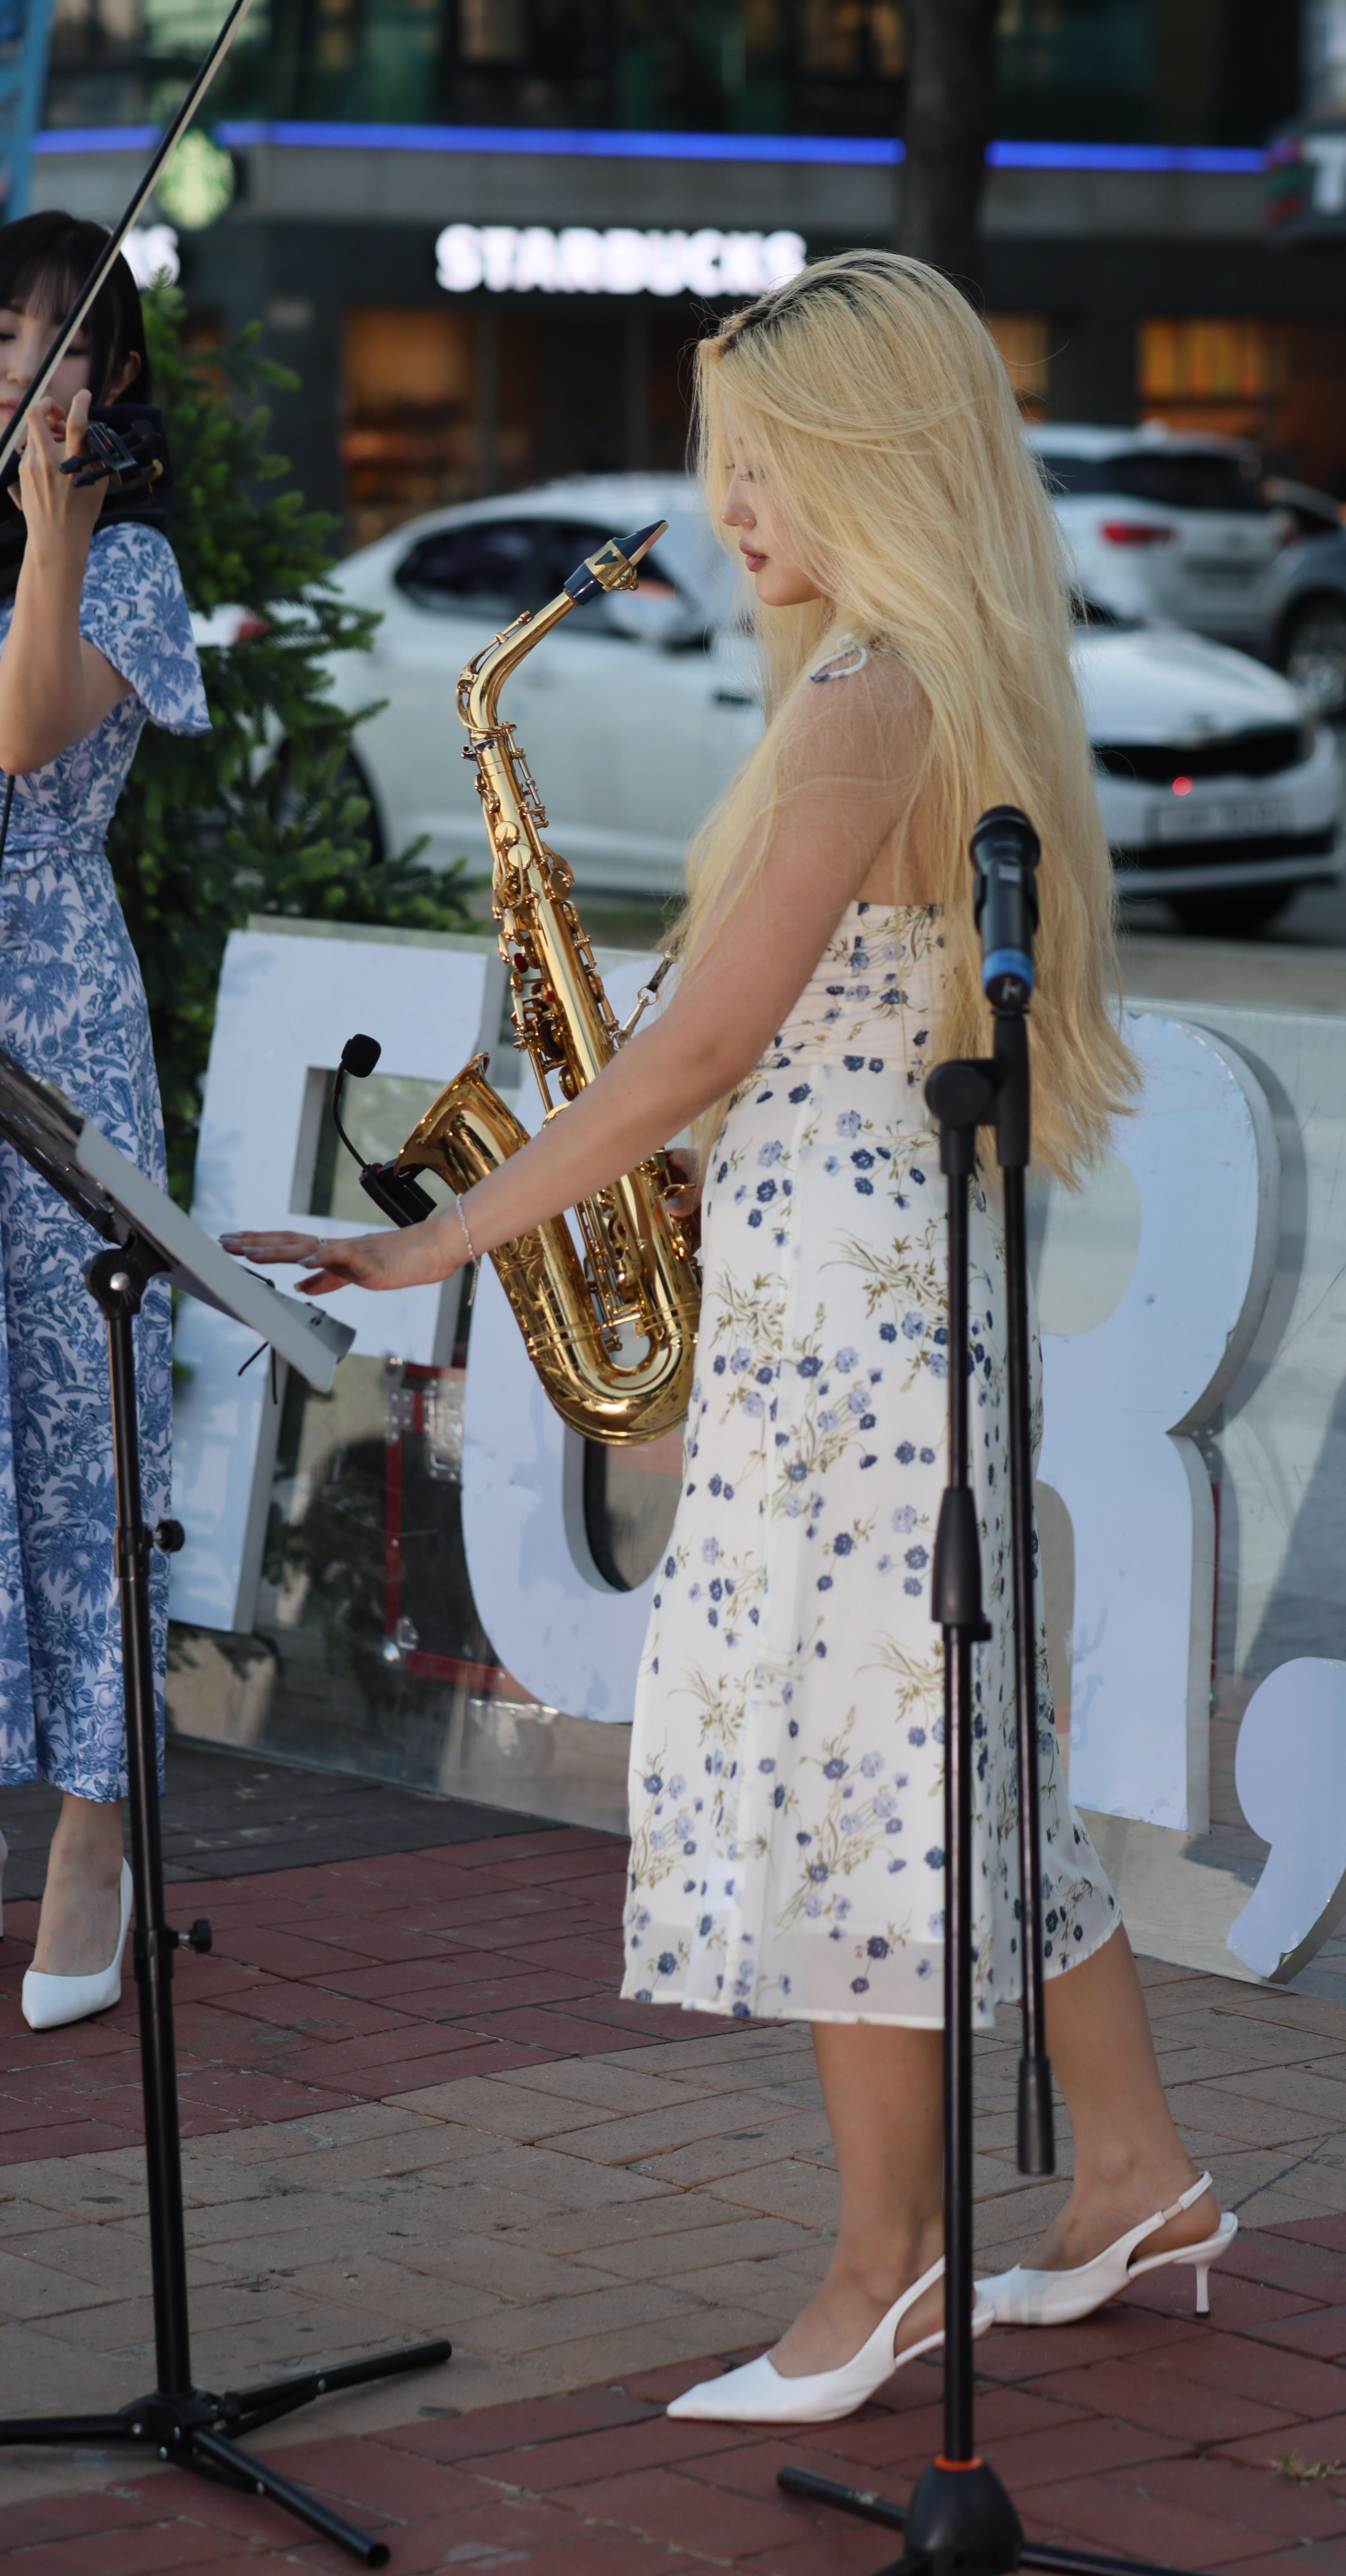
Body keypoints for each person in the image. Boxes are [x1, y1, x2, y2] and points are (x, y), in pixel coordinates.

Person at [224, 249, 1232, 2424]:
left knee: (854, 1778)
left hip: (846, 1331)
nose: (726, 506)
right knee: (958, 1760)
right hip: (884, 1285)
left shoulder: (868, 701)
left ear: (878, 461)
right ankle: (1134, 2173)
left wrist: (446, 1234)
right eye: (723, 461)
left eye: (765, 463)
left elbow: (696, 1047)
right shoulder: (933, 681)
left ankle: (886, 2274)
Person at [0, 214, 210, 2032]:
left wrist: (52, 529)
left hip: (52, 1015)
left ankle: (96, 1833)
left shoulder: (125, 561)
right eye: (1, 337)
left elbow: (24, 739)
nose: (22, 370)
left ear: (115, 377)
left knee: (84, 1431)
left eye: (58, 343)